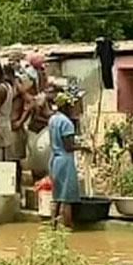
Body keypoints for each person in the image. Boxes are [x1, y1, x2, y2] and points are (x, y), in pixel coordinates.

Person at [49, 92, 86, 229]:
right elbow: (68, 146)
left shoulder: (53, 119)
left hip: (55, 160)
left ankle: (53, 225)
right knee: (67, 198)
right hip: (65, 162)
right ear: (67, 106)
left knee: (57, 196)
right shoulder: (67, 123)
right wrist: (84, 147)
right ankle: (68, 226)